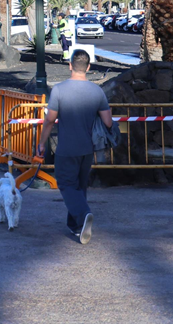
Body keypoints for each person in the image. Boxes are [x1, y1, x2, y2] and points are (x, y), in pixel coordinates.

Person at [36, 50, 113, 244]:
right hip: (87, 148)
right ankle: (76, 226)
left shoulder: (59, 90)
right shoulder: (97, 91)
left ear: (70, 65)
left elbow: (50, 120)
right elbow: (108, 122)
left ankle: (83, 214)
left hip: (66, 148)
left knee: (66, 184)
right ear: (88, 67)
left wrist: (42, 143)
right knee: (79, 187)